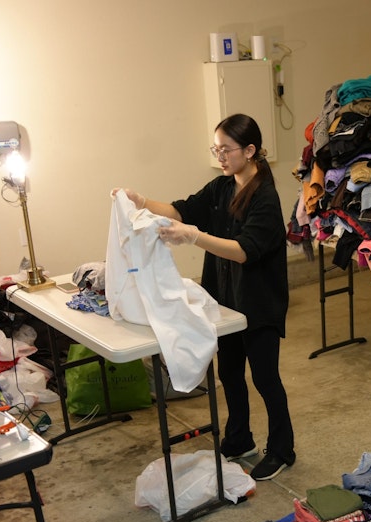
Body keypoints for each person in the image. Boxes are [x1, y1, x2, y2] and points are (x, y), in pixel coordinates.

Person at [116, 114, 295, 481]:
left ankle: (282, 449)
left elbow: (245, 251)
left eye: (225, 149)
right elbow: (182, 210)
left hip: (259, 303)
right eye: (216, 149)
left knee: (265, 378)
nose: (220, 157)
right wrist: (140, 201)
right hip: (226, 301)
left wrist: (193, 237)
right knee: (229, 373)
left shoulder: (266, 197)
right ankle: (239, 438)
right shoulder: (221, 187)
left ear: (249, 150)